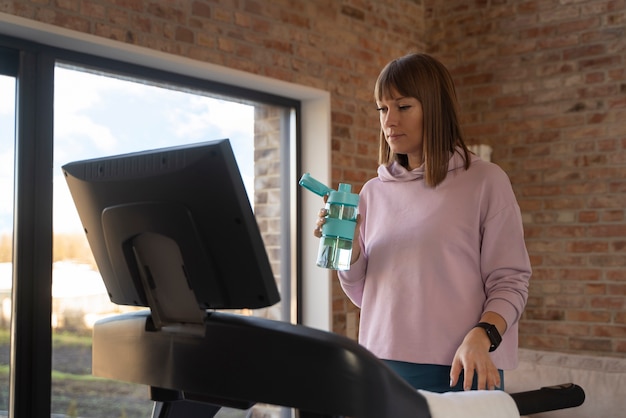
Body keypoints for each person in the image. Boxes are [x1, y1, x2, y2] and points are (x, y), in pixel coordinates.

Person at [314, 53, 531, 393]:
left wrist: (483, 336)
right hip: (381, 365)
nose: (389, 121)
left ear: (435, 108)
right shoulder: (373, 192)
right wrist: (351, 245)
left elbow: (511, 281)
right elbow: (363, 294)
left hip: (463, 367)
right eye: (382, 109)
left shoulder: (486, 181)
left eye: (403, 107)